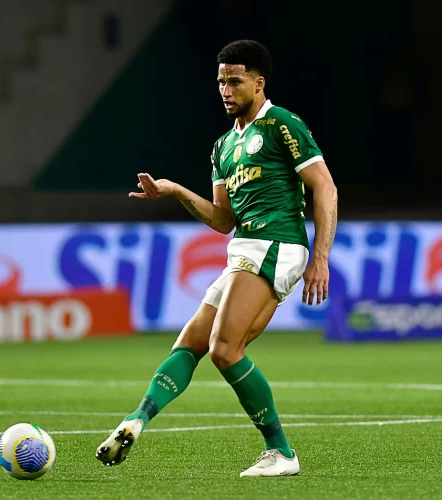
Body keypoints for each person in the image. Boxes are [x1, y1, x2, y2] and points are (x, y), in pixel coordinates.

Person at [95, 39, 338, 477]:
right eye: (221, 81)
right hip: (242, 248)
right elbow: (223, 218)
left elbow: (325, 187)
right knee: (191, 343)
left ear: (259, 83)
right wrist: (175, 191)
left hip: (277, 244)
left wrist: (321, 257)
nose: (225, 89)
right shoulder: (223, 147)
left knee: (225, 349)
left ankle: (281, 453)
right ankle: (136, 419)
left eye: (235, 80)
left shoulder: (282, 124)